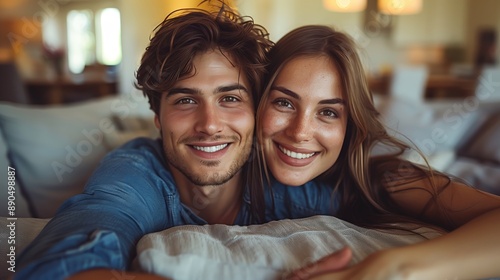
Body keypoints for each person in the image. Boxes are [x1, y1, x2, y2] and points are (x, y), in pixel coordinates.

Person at [15, 5, 275, 280]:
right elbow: (65, 257)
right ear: (158, 118)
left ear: (256, 112)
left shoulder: (281, 174)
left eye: (230, 99)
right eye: (185, 100)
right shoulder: (133, 171)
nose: (209, 125)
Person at [254, 25, 500, 279]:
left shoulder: (385, 180)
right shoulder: (223, 179)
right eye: (284, 103)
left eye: (328, 112)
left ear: (350, 125)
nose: (300, 132)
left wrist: (391, 268)